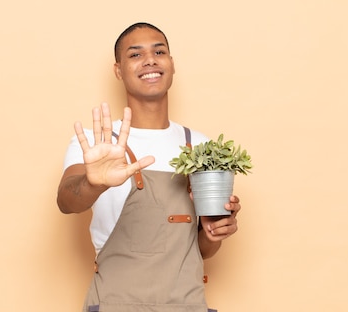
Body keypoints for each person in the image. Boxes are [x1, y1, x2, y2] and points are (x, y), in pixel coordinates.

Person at [57, 22, 241, 312]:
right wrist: (94, 182)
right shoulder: (99, 142)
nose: (150, 60)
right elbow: (66, 201)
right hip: (114, 304)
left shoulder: (203, 148)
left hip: (187, 305)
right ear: (118, 70)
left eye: (159, 51)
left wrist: (212, 233)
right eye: (135, 54)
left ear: (171, 64)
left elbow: (200, 252)